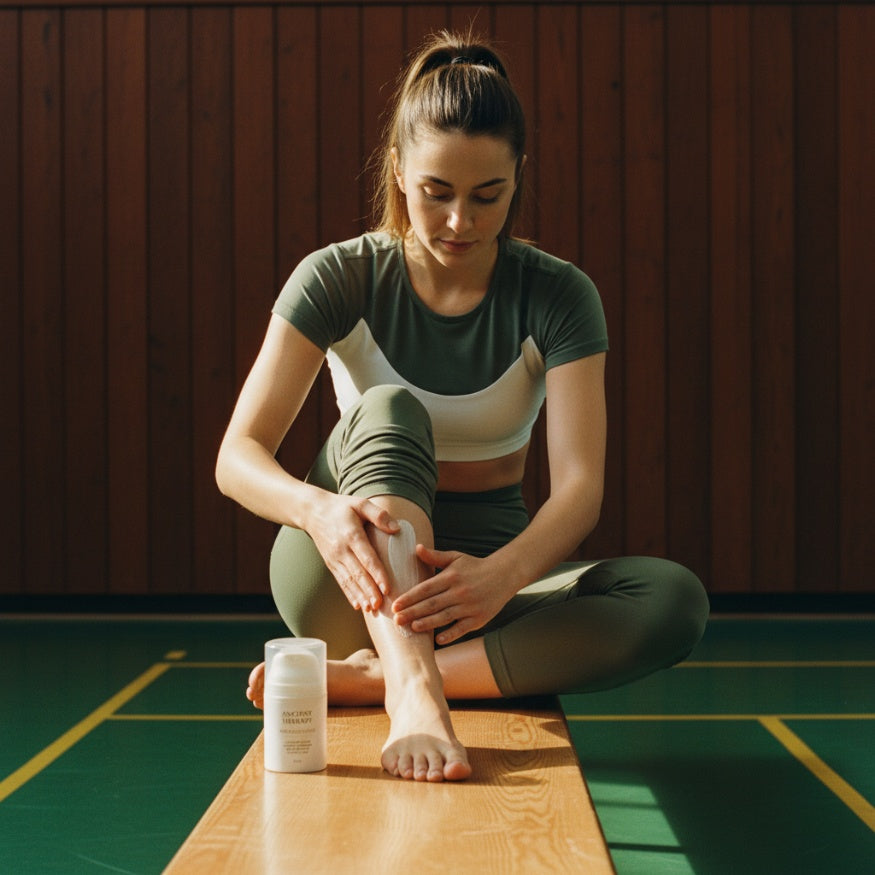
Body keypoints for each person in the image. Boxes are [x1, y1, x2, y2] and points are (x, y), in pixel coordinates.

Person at [216, 30, 709, 783]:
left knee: (672, 598)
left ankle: (374, 679)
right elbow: (237, 456)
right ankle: (413, 689)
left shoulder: (557, 293)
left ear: (517, 179)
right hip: (349, 580)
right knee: (387, 407)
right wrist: (317, 510)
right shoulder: (338, 276)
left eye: (488, 196)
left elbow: (579, 489)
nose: (459, 223)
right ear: (398, 172)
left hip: (477, 588)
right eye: (434, 193)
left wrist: (501, 577)